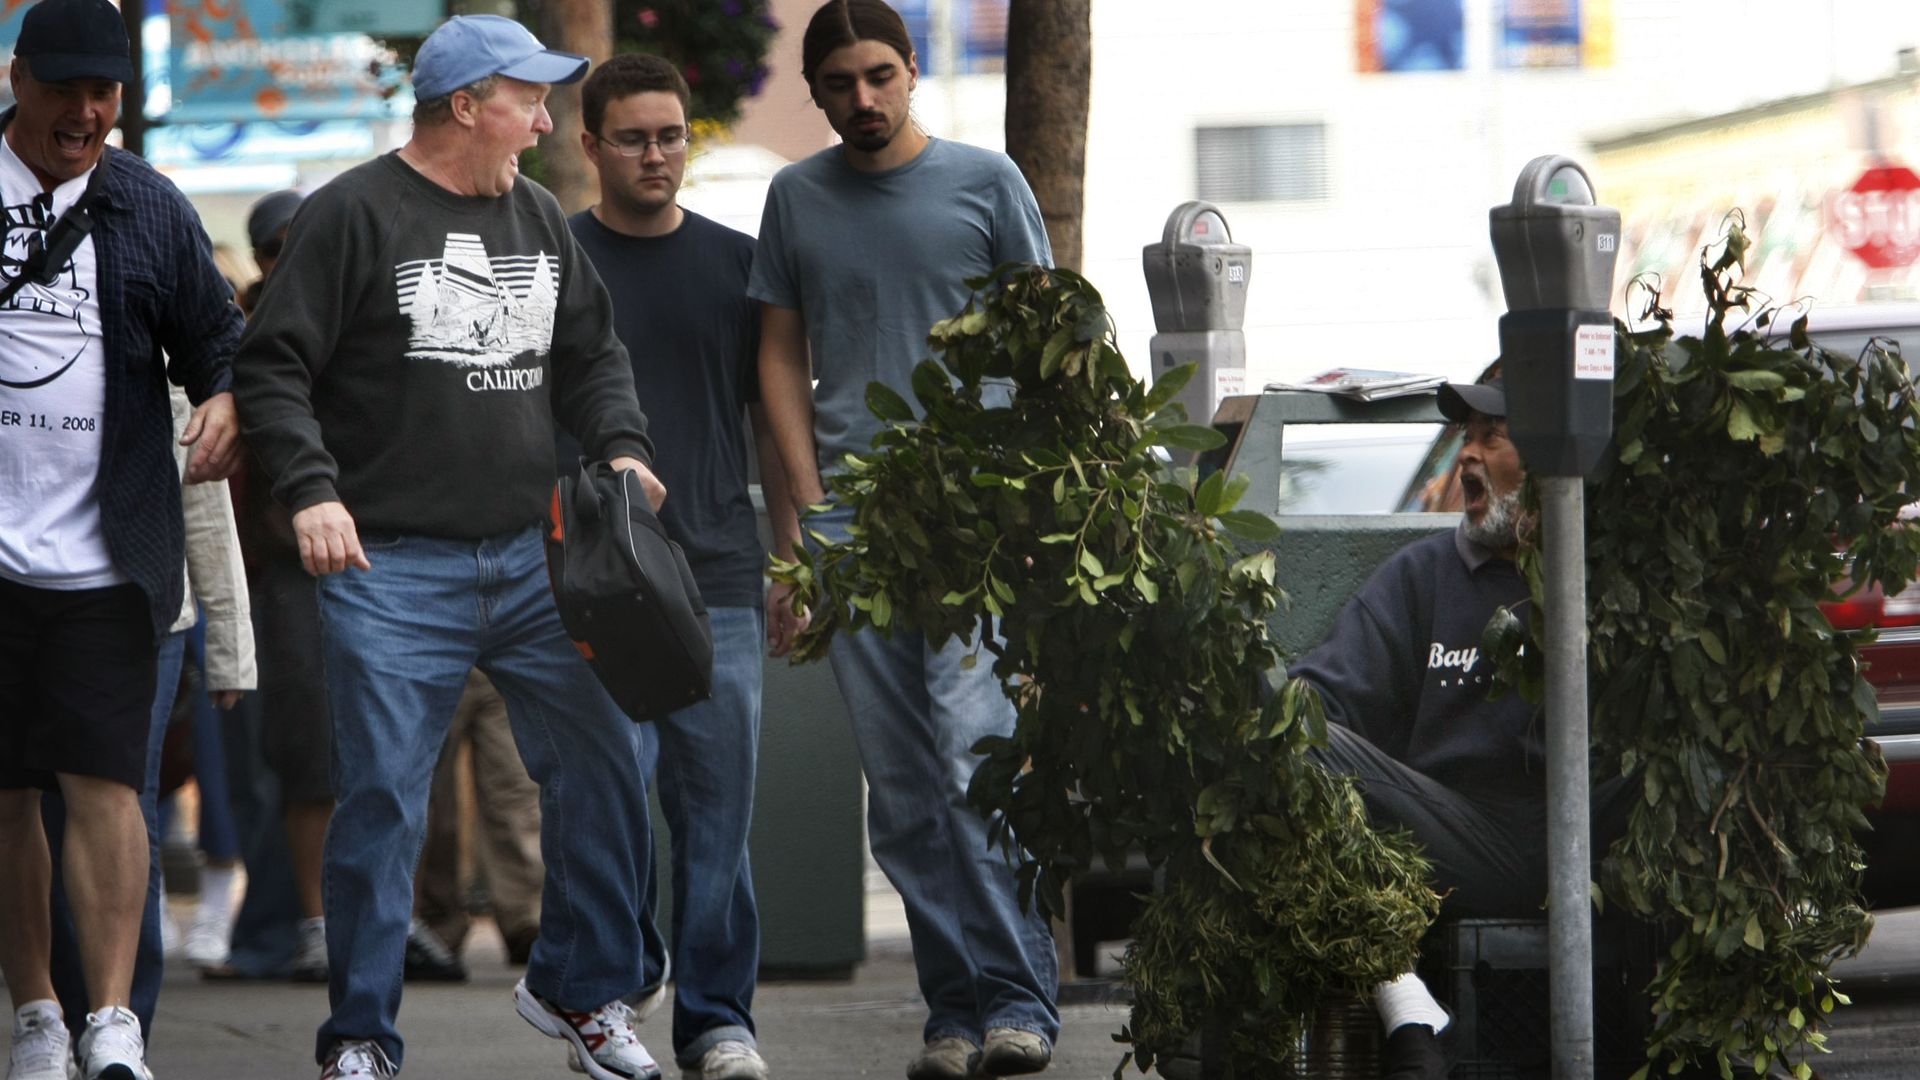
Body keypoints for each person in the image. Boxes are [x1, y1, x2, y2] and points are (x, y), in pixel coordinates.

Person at [232, 15, 669, 1080]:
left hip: (534, 558)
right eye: (529, 98)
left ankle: (578, 987)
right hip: (392, 568)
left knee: (613, 758)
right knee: (381, 798)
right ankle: (363, 1040)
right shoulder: (350, 214)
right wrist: (311, 493)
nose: (546, 118)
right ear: (467, 105)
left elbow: (592, 353)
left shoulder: (538, 216)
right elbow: (273, 366)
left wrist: (618, 445)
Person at [749, 3, 1058, 1077]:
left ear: (913, 70)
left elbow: (1046, 345)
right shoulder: (795, 197)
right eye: (840, 84)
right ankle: (955, 1010)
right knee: (904, 785)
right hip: (854, 530)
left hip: (974, 520)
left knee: (975, 755)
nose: (863, 100)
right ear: (820, 93)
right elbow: (778, 359)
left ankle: (1022, 1000)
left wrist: (1026, 510)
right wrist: (804, 517)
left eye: (880, 75)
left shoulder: (988, 183)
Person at [0, 0, 244, 1077]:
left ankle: (113, 1023)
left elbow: (222, 344)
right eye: (67, 88)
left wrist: (230, 399)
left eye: (106, 93)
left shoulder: (148, 204)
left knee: (109, 787)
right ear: (17, 79)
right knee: (8, 795)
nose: (87, 112)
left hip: (110, 556)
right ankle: (38, 1016)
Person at [1287, 374, 1632, 1080]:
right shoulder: (1422, 576)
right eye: (1464, 439)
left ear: (1546, 459)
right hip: (1458, 840)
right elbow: (1318, 701)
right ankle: (1409, 1015)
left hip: (1593, 835)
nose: (1467, 457)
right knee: (1291, 731)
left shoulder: (1611, 574)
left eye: (1491, 437)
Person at [569, 52, 803, 1080]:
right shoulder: (556, 260)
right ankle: (611, 1000)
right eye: (633, 137)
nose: (656, 154)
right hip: (592, 580)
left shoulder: (738, 266)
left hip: (716, 574)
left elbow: (772, 424)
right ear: (591, 145)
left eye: (671, 136)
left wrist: (793, 558)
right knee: (610, 805)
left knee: (716, 817)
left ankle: (717, 1023)